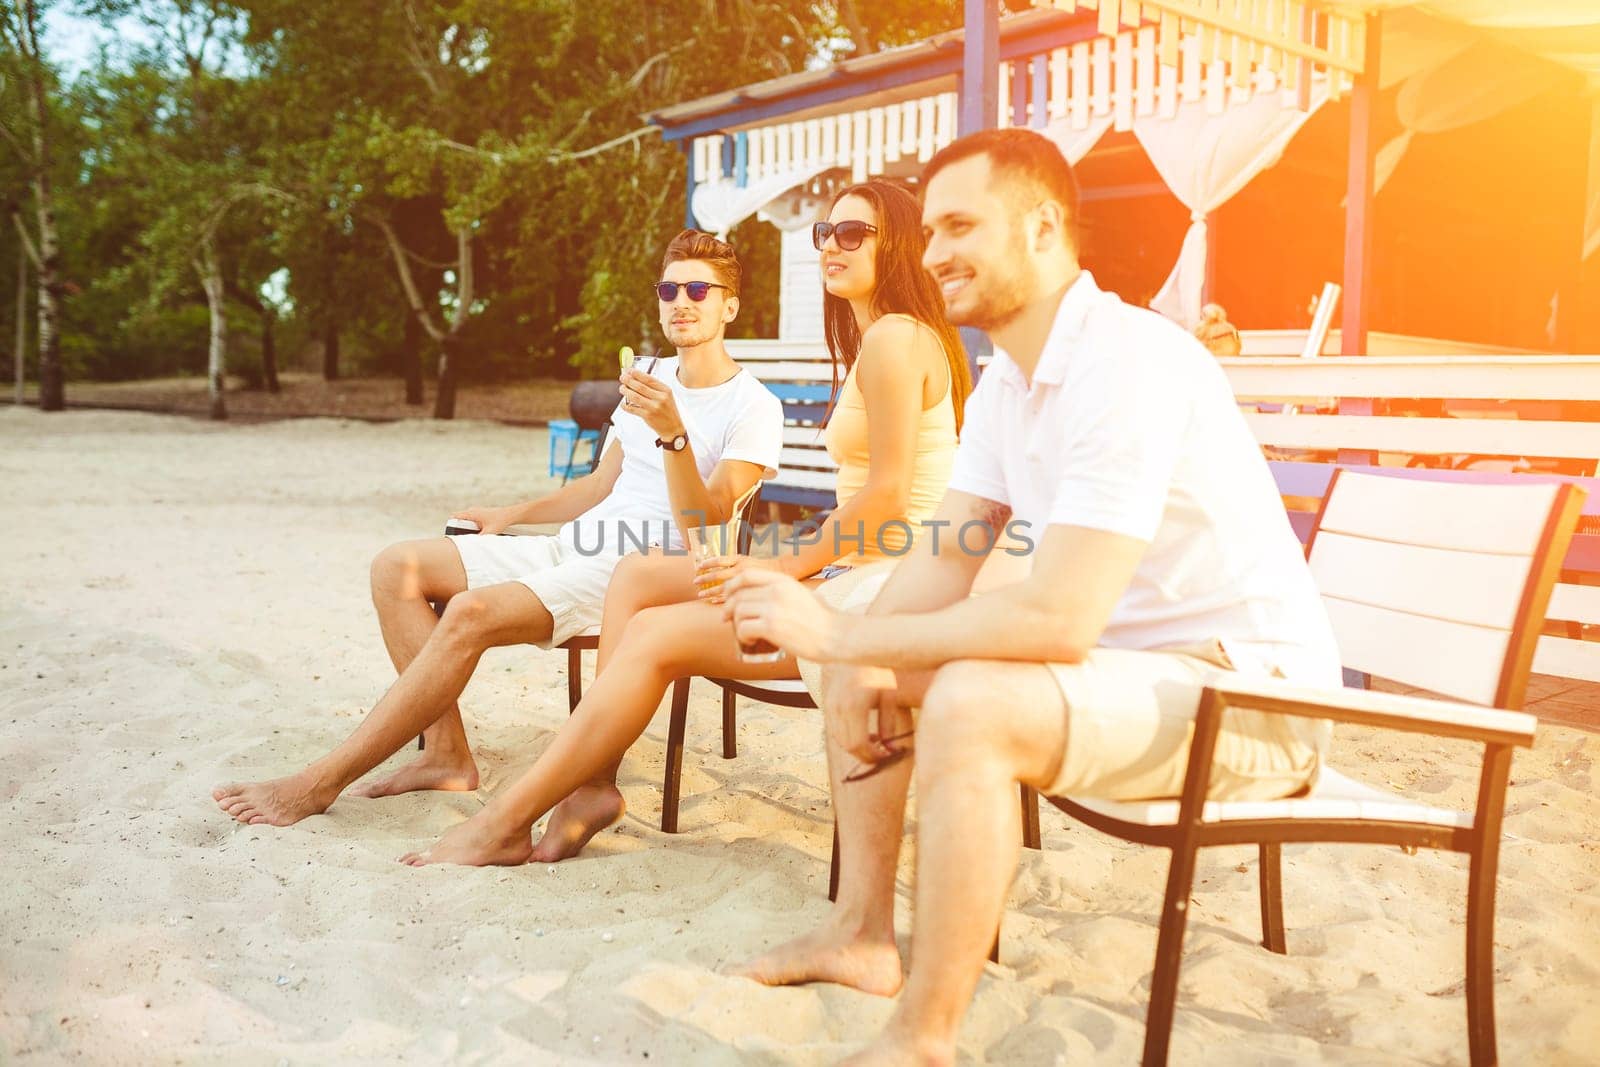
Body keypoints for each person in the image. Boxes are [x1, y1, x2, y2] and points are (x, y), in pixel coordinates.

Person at [721, 128, 1340, 1066]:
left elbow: (1058, 617)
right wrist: (858, 645)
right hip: (1139, 679)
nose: (933, 254)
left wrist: (840, 630)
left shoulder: (1126, 362)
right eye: (928, 231)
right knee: (876, 659)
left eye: (961, 225)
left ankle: (920, 1039)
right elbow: (947, 553)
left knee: (964, 695)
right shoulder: (1011, 384)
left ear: (1045, 226)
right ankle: (861, 934)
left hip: (1255, 699)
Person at [395, 179, 974, 866]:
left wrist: (779, 567)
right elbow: (605, 482)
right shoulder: (885, 339)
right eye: (826, 232)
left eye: (854, 234)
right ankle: (591, 783)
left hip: (879, 587)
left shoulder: (894, 340)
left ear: (900, 244)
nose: (831, 246)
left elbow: (886, 499)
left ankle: (519, 812)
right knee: (638, 573)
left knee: (649, 622)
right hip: (861, 569)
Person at [212, 230, 782, 827]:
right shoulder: (647, 374)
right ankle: (445, 754)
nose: (680, 301)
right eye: (669, 288)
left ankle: (318, 783)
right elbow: (598, 486)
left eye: (698, 289)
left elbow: (708, 523)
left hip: (642, 573)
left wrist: (675, 432)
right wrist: (511, 516)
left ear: (730, 306)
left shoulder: (752, 406)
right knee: (396, 568)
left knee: (468, 613)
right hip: (574, 547)